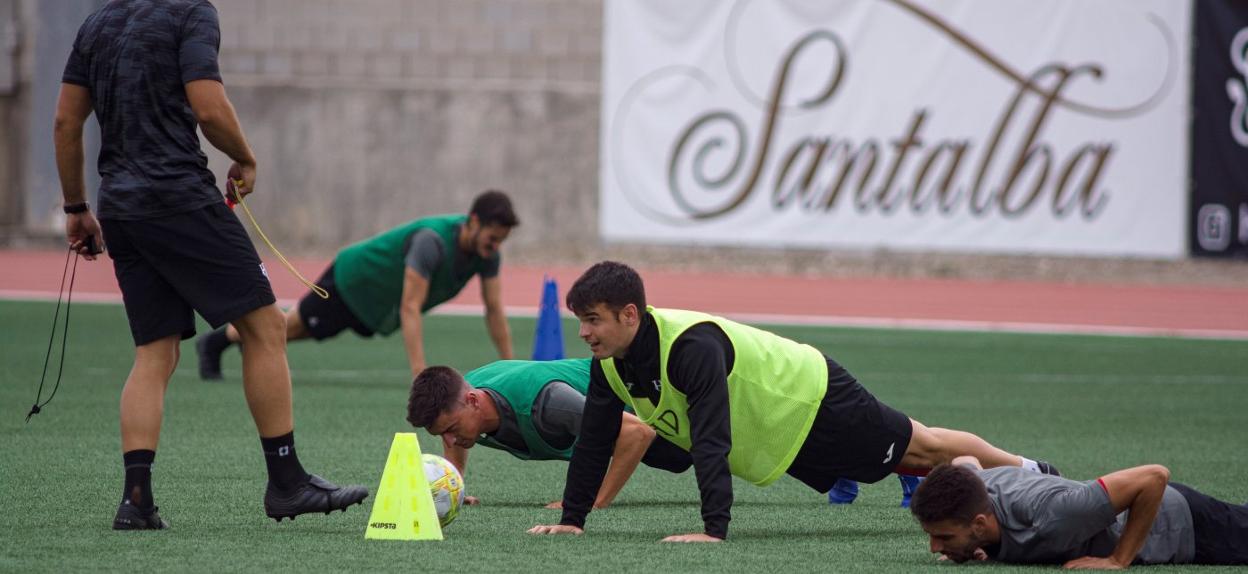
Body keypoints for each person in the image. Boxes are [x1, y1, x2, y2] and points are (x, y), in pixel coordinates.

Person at [55, 0, 367, 530]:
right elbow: (208, 107)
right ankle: (288, 483)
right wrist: (245, 157)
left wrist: (77, 208)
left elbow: (66, 120)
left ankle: (136, 501)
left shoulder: (97, 22)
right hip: (178, 196)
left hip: (122, 208)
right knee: (265, 325)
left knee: (154, 353)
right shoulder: (190, 12)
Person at [527, 261, 1058, 542]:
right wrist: (574, 518)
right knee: (918, 447)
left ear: (629, 315)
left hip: (812, 398)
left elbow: (711, 438)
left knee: (926, 451)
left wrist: (714, 530)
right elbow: (595, 438)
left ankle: (1030, 470)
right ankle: (1019, 468)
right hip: (784, 433)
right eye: (580, 320)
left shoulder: (690, 347)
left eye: (593, 320)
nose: (583, 333)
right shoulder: (610, 364)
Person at [196, 190, 518, 380]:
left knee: (300, 331)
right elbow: (410, 305)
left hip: (374, 304)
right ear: (473, 222)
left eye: (501, 240)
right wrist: (420, 372)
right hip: (354, 280)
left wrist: (509, 366)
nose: (495, 246)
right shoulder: (431, 242)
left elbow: (494, 310)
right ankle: (215, 342)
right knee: (289, 327)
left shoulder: (486, 254)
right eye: (492, 237)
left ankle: (224, 341)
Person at [406, 359, 693, 508]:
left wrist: (594, 502)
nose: (450, 441)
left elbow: (637, 434)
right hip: (612, 415)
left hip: (654, 409)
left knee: (686, 456)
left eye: (452, 430)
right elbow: (453, 432)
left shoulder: (550, 404)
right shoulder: (466, 395)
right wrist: (454, 485)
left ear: (473, 401)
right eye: (441, 434)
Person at [910, 458, 1248, 567]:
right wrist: (970, 544)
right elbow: (964, 463)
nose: (935, 548)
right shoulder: (974, 489)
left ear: (980, 523)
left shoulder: (1056, 515)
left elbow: (1153, 476)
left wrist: (1118, 560)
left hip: (1187, 524)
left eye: (944, 537)